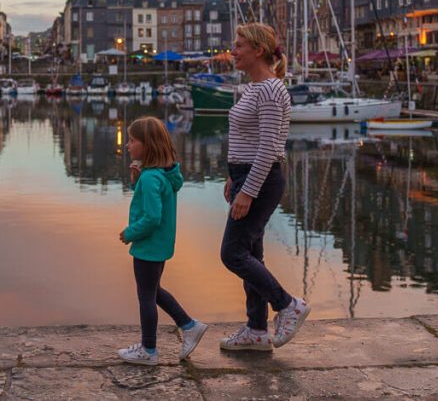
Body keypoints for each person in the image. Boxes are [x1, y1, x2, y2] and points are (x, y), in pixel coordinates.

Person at [220, 23, 311, 352]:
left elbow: (269, 146)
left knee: (232, 254)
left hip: (261, 178)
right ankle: (256, 330)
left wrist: (248, 191)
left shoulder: (272, 91)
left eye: (240, 44)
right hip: (246, 175)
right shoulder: (255, 89)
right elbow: (249, 139)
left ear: (258, 50)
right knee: (251, 253)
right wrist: (234, 176)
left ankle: (287, 305)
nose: (234, 51)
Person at [117, 117, 207, 365]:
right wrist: (136, 181)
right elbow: (154, 202)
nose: (128, 145)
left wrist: (130, 233)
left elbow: (152, 217)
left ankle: (149, 349)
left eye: (133, 140)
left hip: (148, 245)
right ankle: (189, 325)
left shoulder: (150, 178)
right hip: (161, 245)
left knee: (145, 296)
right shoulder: (163, 175)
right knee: (154, 291)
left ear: (148, 145)